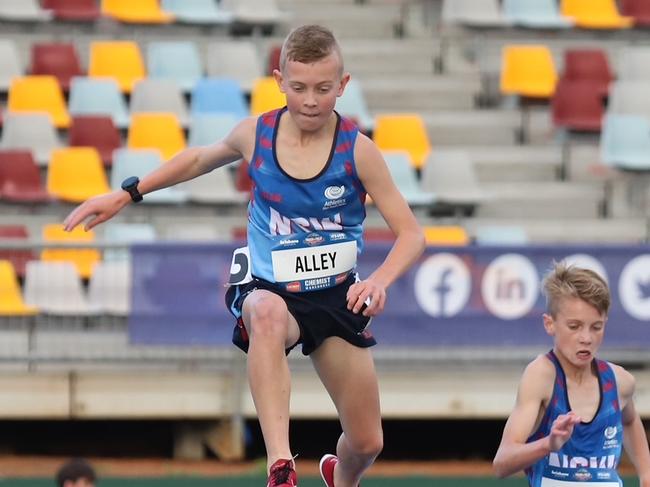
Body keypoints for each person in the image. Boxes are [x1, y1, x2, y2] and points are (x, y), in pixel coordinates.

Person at [63, 24, 425, 487]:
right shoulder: (257, 134)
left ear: (343, 85)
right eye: (298, 88)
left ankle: (341, 476)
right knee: (266, 313)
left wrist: (379, 281)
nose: (310, 100)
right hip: (268, 285)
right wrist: (127, 194)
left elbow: (412, 235)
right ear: (279, 81)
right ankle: (281, 466)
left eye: (322, 88)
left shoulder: (359, 153)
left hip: (335, 297)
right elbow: (197, 159)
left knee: (368, 442)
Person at [493, 263, 650, 487]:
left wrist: (646, 474)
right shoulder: (541, 377)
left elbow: (630, 420)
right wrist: (549, 443)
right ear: (550, 324)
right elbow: (501, 464)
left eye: (596, 327)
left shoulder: (620, 382)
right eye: (574, 326)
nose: (586, 338)